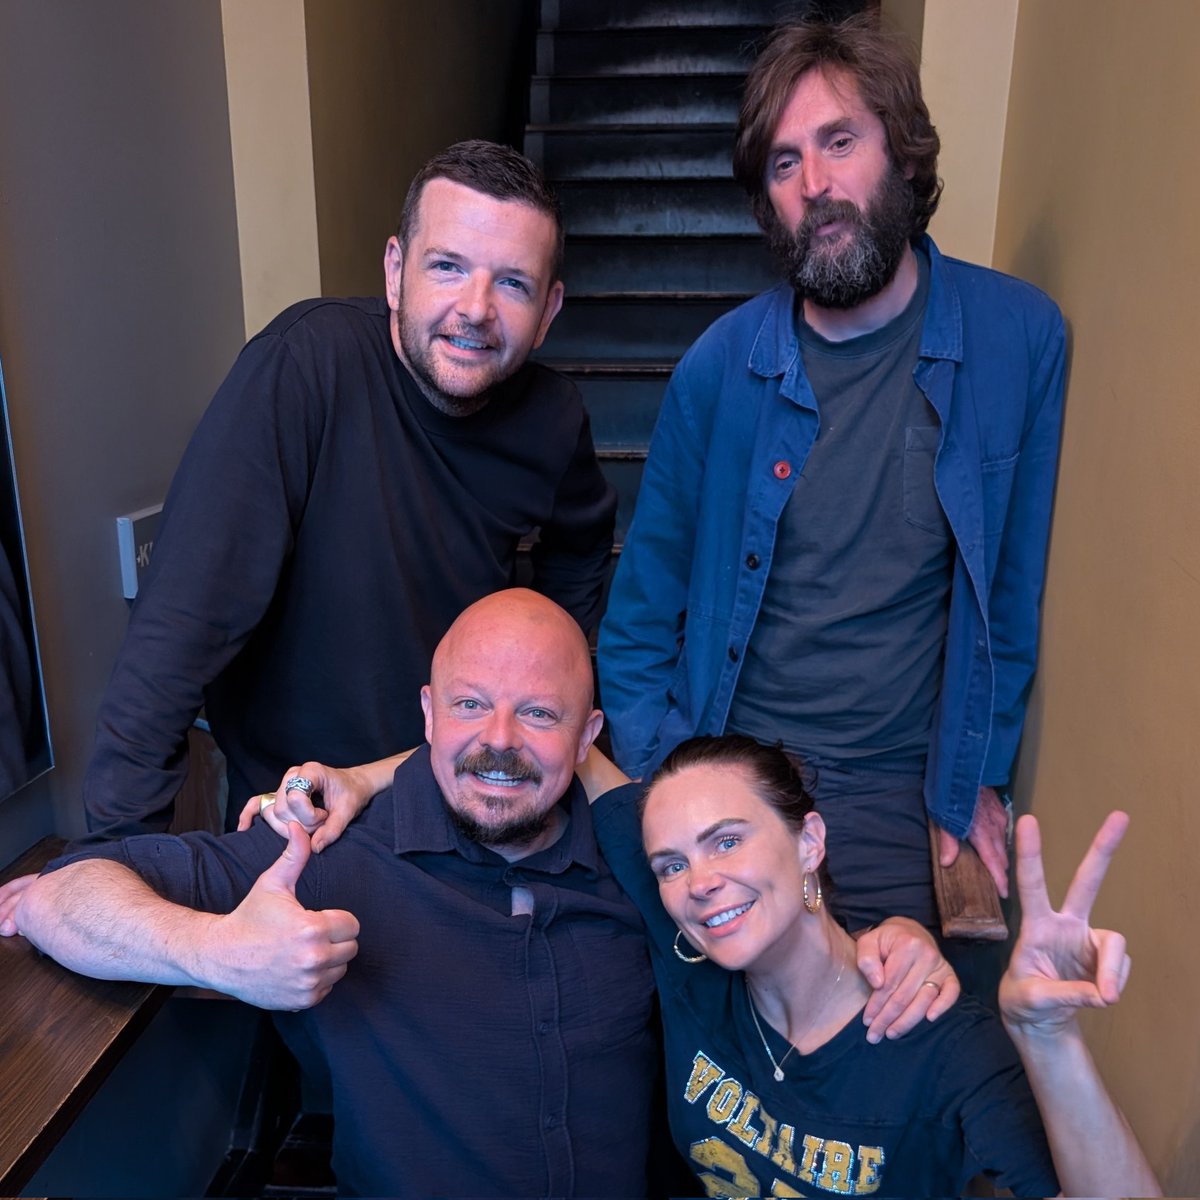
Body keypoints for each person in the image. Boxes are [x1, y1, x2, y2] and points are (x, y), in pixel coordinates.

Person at [0, 591, 951, 1197]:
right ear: (426, 714)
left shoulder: (641, 856)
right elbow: (58, 894)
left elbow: (769, 909)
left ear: (589, 738)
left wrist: (889, 940)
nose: (498, 739)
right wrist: (216, 955)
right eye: (468, 704)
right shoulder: (326, 853)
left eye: (539, 713)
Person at [596, 16, 1067, 933]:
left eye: (839, 142)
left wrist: (979, 770)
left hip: (898, 791)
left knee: (894, 1008)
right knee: (712, 1019)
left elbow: (1009, 592)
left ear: (903, 153)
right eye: (784, 163)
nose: (814, 184)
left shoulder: (1018, 338)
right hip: (734, 772)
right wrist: (665, 783)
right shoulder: (718, 369)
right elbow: (641, 613)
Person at [83, 139, 616, 841]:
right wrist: (115, 856)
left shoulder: (553, 420)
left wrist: (541, 674)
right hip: (295, 804)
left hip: (459, 792)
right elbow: (179, 632)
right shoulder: (306, 369)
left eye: (513, 283)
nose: (476, 308)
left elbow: (581, 549)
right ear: (395, 272)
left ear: (549, 310)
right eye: (447, 266)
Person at [583, 734, 1160, 1197]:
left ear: (809, 842)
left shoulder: (935, 1036)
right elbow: (579, 755)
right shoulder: (688, 956)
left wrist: (1048, 1039)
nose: (700, 882)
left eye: (727, 841)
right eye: (671, 865)